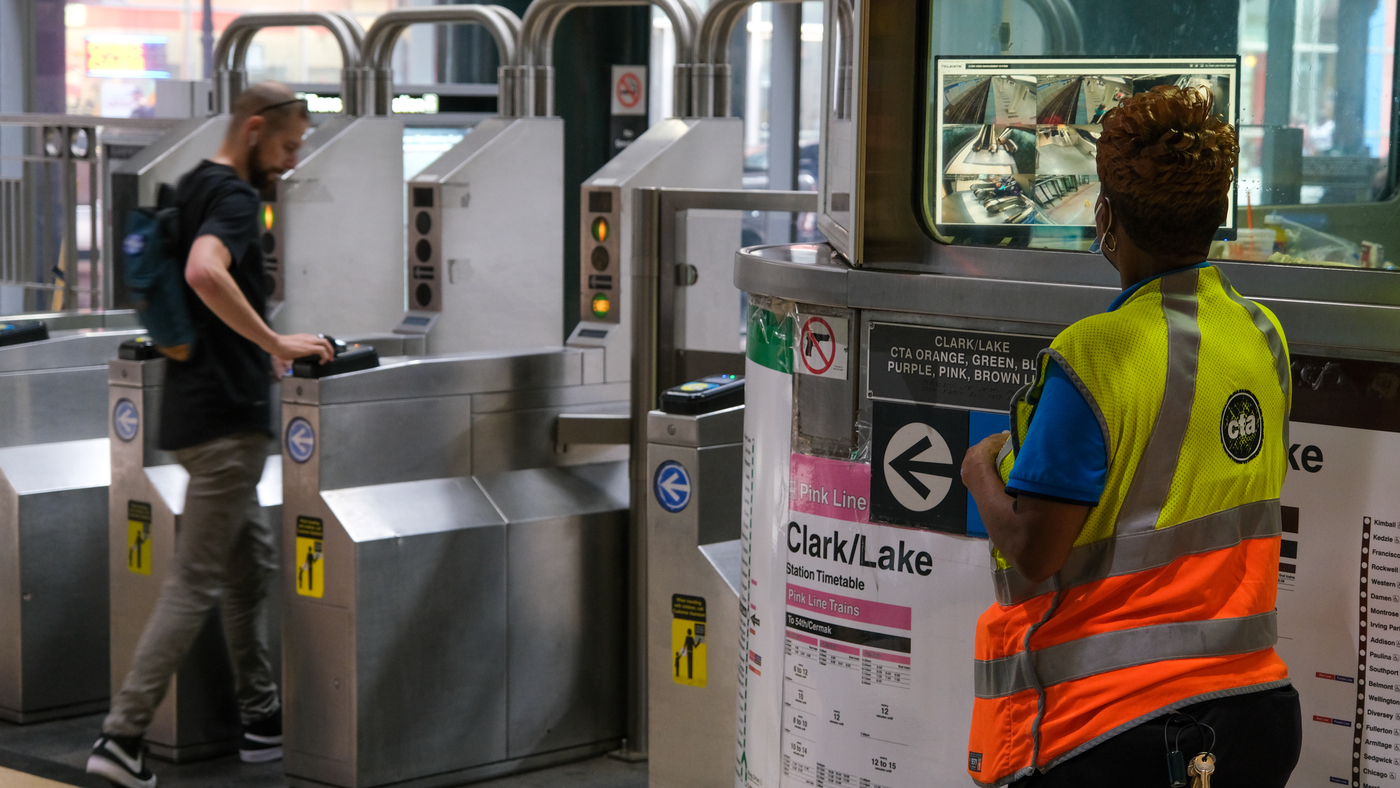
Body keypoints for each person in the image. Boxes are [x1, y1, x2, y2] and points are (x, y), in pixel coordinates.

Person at [960, 85, 1301, 788]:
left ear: (1105, 216)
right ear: (1217, 218)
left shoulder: (1097, 356)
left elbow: (1035, 552)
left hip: (1122, 731)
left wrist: (979, 473)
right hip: (1256, 713)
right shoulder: (1261, 334)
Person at [87, 81, 334, 788]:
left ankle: (260, 717)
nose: (289, 161)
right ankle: (122, 737)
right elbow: (202, 271)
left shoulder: (192, 183)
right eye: (287, 145)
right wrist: (273, 341)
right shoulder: (232, 200)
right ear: (255, 128)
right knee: (193, 582)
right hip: (225, 424)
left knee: (248, 563)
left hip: (197, 413)